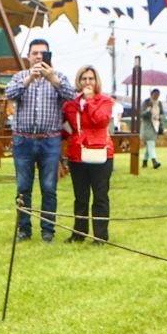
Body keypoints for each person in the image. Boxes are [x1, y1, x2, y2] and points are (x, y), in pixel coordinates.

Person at [4, 39, 75, 242]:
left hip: (50, 141)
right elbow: (9, 93)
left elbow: (71, 95)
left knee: (49, 188)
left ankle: (48, 231)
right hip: (23, 140)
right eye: (35, 53)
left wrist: (53, 79)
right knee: (23, 187)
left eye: (43, 53)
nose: (38, 57)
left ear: (49, 56)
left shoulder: (58, 77)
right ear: (28, 56)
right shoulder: (20, 77)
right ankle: (24, 230)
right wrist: (28, 80)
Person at [62, 66, 114, 244]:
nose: (87, 82)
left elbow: (101, 120)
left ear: (96, 81)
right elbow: (62, 125)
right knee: (81, 196)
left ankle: (100, 236)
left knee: (100, 195)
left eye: (91, 78)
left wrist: (90, 102)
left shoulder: (105, 101)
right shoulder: (71, 104)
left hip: (101, 153)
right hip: (77, 154)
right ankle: (79, 232)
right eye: (84, 79)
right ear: (79, 81)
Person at [140, 87, 166, 170]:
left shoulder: (159, 103)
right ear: (152, 94)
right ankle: (154, 161)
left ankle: (144, 162)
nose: (156, 96)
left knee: (149, 145)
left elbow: (162, 114)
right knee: (151, 143)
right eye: (155, 95)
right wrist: (148, 111)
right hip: (147, 126)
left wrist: (159, 117)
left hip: (156, 125)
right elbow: (141, 114)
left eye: (158, 95)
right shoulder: (146, 102)